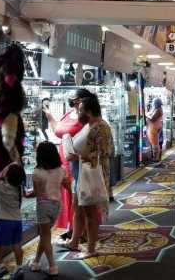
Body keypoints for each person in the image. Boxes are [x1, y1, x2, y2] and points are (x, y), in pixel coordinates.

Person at [65, 95, 114, 259]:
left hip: (92, 177)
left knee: (90, 213)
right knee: (79, 208)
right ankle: (74, 241)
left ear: (89, 111)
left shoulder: (101, 127)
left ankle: (91, 248)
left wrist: (80, 156)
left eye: (80, 110)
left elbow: (105, 153)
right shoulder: (91, 125)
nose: (78, 113)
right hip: (83, 174)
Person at [44, 89, 92, 241]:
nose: (72, 102)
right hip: (63, 158)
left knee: (77, 195)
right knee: (68, 195)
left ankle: (82, 231)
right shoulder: (68, 113)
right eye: (71, 99)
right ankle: (73, 228)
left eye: (75, 99)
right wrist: (50, 116)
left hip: (77, 159)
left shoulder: (86, 117)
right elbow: (58, 130)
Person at [27, 142, 68, 276]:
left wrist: (27, 194)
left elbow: (36, 193)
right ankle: (36, 262)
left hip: (43, 206)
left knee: (45, 236)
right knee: (45, 236)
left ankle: (52, 266)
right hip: (57, 206)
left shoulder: (37, 172)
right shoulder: (61, 170)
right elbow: (66, 185)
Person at [0, 163, 26, 280]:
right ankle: (19, 268)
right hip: (17, 221)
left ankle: (1, 266)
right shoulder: (19, 187)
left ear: (7, 176)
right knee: (17, 245)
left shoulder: (0, 187)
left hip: (3, 222)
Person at [146, 98, 163, 162]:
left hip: (154, 128)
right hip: (153, 127)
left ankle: (156, 158)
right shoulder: (157, 109)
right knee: (155, 143)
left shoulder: (158, 110)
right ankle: (155, 157)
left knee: (155, 144)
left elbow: (152, 118)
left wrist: (146, 115)